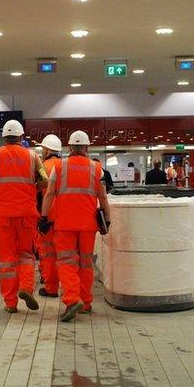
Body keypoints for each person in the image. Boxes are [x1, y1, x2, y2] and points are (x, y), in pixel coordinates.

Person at [41, 130, 111, 322]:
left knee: (66, 262)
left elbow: (49, 195)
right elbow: (103, 198)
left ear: (70, 147)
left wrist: (44, 217)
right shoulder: (97, 169)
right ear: (87, 148)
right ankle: (86, 303)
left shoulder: (59, 167)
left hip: (64, 225)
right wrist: (108, 219)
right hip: (88, 225)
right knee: (85, 263)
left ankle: (72, 299)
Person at [0, 119, 47, 313]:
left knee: (6, 259)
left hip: (2, 215)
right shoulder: (32, 156)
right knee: (26, 254)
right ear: (21, 136)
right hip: (27, 213)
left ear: (3, 138)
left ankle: (10, 303)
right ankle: (26, 288)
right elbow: (45, 179)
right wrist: (31, 188)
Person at [36, 134, 64, 298]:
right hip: (65, 217)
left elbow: (36, 191)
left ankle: (51, 287)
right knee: (66, 254)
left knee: (48, 254)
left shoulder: (42, 167)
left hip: (47, 216)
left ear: (46, 150)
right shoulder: (64, 166)